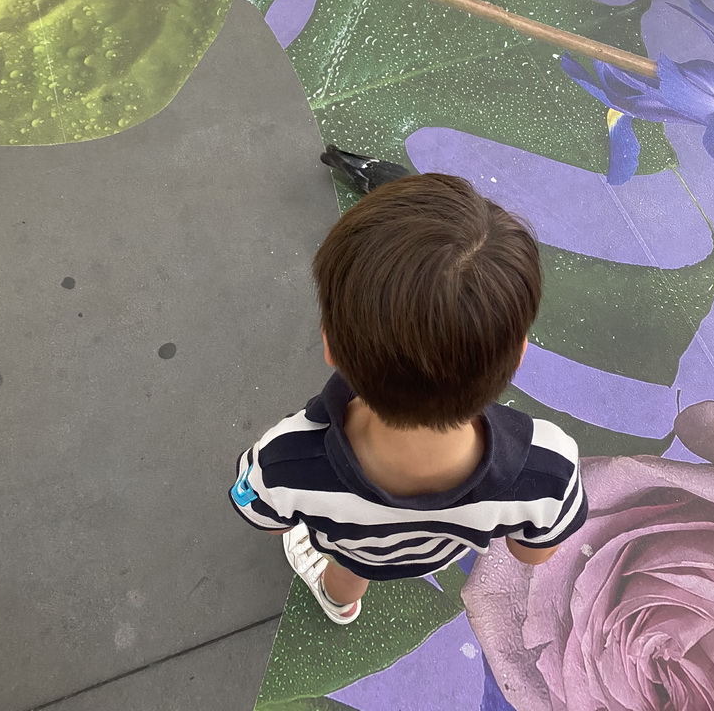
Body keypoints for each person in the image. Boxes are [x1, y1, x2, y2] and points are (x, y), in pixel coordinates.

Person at [229, 173, 588, 624]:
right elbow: (533, 554)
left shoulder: (286, 456)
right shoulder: (548, 464)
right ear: (518, 356)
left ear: (329, 346)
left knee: (348, 568)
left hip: (359, 549)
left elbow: (265, 515)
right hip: (440, 551)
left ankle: (339, 603)